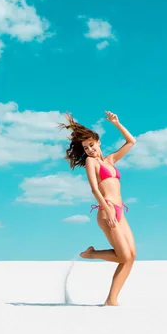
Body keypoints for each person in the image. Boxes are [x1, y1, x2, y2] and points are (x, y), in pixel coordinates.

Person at [58, 111, 137, 306]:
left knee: (131, 256)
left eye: (91, 145)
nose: (90, 150)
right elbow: (94, 189)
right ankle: (91, 254)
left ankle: (111, 300)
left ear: (98, 141)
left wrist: (117, 123)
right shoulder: (90, 162)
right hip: (107, 210)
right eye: (86, 148)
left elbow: (131, 142)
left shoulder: (109, 160)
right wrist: (108, 210)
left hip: (121, 211)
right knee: (123, 256)